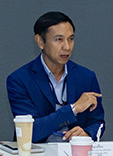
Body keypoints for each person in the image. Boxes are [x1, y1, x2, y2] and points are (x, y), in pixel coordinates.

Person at [7, 11, 104, 142]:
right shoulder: (20, 80)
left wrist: (87, 134)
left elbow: (98, 122)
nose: (67, 47)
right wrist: (73, 109)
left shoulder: (86, 77)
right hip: (37, 153)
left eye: (70, 39)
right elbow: (30, 131)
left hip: (74, 152)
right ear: (40, 41)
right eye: (59, 40)